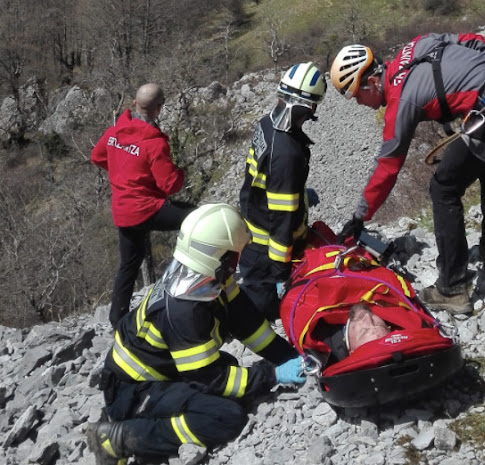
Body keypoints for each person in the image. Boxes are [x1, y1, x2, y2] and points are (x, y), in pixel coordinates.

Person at [330, 35, 485, 314]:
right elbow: (474, 41)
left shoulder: (401, 99)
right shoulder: (415, 46)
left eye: (355, 95)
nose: (358, 103)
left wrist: (359, 217)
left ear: (371, 81)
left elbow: (388, 165)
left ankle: (452, 289)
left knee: (443, 188)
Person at [85, 203, 305, 465]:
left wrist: (290, 356)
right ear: (218, 256)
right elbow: (211, 379)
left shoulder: (205, 277)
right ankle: (117, 438)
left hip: (157, 375)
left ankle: (146, 422)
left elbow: (248, 324)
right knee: (225, 417)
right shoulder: (184, 308)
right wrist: (274, 374)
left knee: (231, 368)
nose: (237, 264)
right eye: (234, 256)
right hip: (130, 391)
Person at [91, 83, 196, 329]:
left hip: (123, 211)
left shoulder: (116, 131)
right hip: (146, 208)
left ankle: (117, 320)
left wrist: (122, 173)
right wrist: (180, 173)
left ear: (135, 103)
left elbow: (97, 156)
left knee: (130, 262)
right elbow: (170, 184)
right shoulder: (154, 143)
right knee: (195, 218)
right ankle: (193, 285)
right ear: (159, 109)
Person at [239, 62, 327, 321]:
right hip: (266, 251)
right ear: (310, 106)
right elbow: (282, 218)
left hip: (253, 225)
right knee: (260, 313)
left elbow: (265, 179)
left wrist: (300, 196)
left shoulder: (267, 124)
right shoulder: (287, 152)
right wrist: (280, 269)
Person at [319, 303, 392, 362]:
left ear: (352, 352)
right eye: (379, 325)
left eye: (364, 331)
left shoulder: (319, 342)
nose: (367, 317)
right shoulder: (388, 305)